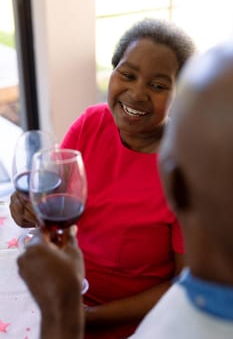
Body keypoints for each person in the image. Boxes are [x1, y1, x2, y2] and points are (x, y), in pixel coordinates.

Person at [18, 39, 233, 338]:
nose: (136, 93)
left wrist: (81, 314)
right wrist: (28, 210)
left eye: (158, 86)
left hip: (117, 322)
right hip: (62, 295)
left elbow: (180, 281)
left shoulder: (189, 168)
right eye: (127, 75)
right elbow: (53, 203)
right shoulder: (91, 123)